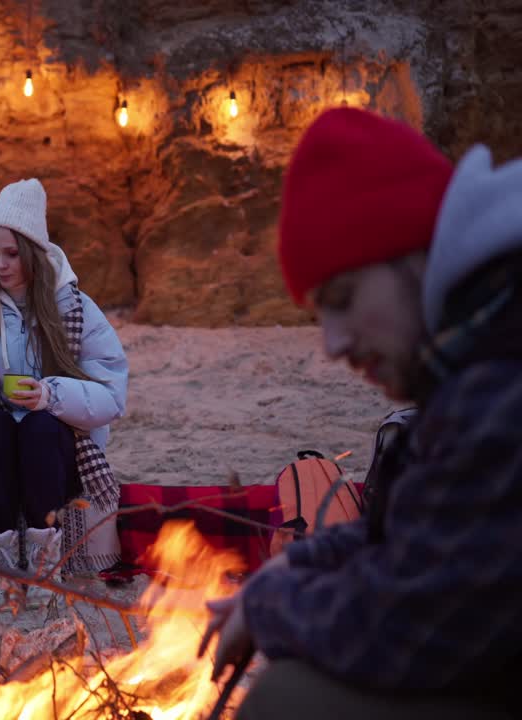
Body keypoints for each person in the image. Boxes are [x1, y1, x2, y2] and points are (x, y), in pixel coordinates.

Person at [199, 108, 521, 719]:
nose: (333, 345)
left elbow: (410, 625)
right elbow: (420, 530)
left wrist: (270, 606)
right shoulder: (485, 338)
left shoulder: (500, 379)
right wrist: (294, 562)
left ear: (413, 253)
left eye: (344, 300)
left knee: (286, 701)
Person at [0, 178, 129, 604]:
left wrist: (50, 395)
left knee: (38, 425)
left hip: (57, 449)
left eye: (11, 254)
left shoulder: (72, 307)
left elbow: (112, 396)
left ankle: (44, 562)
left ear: (33, 253)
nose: (1, 265)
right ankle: (0, 559)